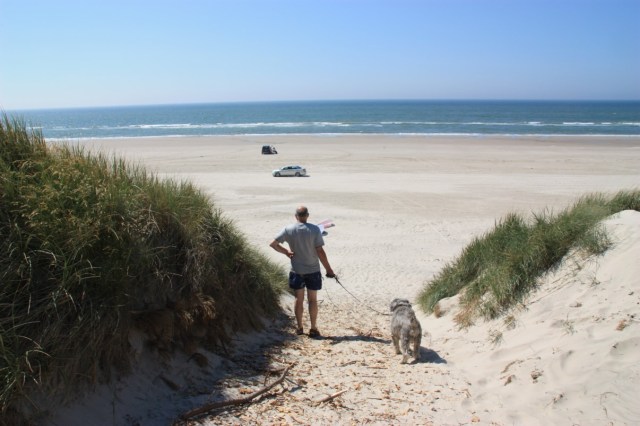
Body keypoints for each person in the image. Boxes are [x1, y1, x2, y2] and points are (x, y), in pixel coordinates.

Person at [269, 206, 335, 338]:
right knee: (313, 300)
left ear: (296, 216)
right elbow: (320, 252)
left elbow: (273, 244)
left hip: (296, 270)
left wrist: (286, 252)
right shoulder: (315, 229)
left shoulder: (288, 229)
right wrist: (329, 269)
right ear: (307, 215)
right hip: (313, 270)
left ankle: (299, 327)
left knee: (298, 299)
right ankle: (313, 328)